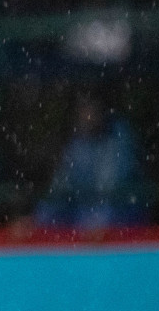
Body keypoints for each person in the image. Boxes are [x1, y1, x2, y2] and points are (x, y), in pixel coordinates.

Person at [34, 94, 146, 230]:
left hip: (119, 210)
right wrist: (37, 220)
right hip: (84, 211)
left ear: (102, 112)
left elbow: (108, 187)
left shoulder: (119, 136)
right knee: (47, 213)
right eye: (82, 109)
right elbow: (61, 185)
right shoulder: (77, 144)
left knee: (101, 217)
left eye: (90, 109)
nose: (86, 115)